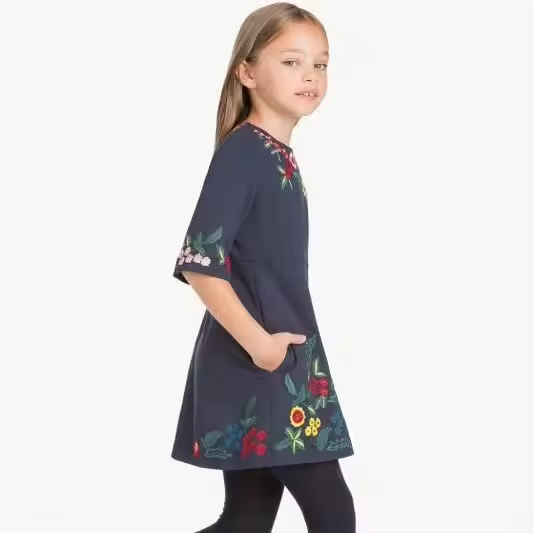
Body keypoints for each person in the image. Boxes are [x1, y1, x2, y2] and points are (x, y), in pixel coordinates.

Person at [171, 3, 356, 532]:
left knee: (246, 520)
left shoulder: (275, 155)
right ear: (247, 72)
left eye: (320, 64)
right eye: (292, 62)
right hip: (263, 364)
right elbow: (200, 262)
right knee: (333, 514)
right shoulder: (245, 154)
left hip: (278, 360)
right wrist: (262, 346)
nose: (311, 76)